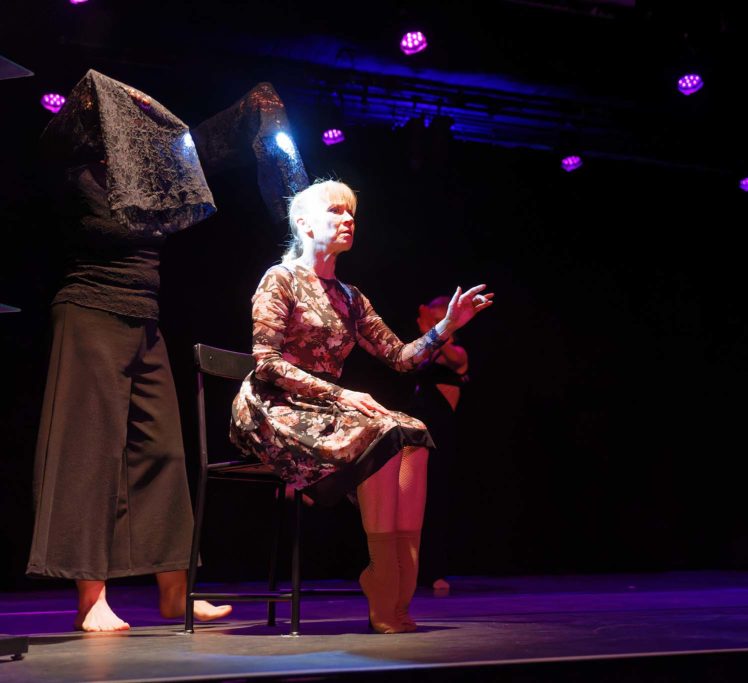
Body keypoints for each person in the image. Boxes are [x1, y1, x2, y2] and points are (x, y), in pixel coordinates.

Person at [229, 180, 492, 633]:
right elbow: (267, 363)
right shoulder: (281, 278)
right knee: (382, 432)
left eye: (351, 212)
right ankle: (383, 578)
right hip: (274, 408)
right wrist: (341, 394)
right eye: (336, 211)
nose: (348, 219)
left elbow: (401, 358)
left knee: (412, 431)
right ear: (304, 224)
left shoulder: (350, 297)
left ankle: (397, 589)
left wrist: (447, 325)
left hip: (324, 410)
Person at [27, 78, 231, 632]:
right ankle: (91, 599)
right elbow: (60, 149)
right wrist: (104, 95)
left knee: (162, 450)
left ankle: (175, 593)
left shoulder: (142, 176)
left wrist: (249, 110)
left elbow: (198, 152)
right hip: (90, 312)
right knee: (89, 455)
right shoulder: (76, 174)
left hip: (144, 319)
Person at [409, 296, 470, 592]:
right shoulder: (430, 355)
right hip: (420, 431)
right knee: (413, 500)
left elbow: (454, 360)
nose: (436, 327)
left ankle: (436, 570)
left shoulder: (457, 353)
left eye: (440, 321)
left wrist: (436, 330)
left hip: (442, 434)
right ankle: (412, 569)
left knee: (436, 500)